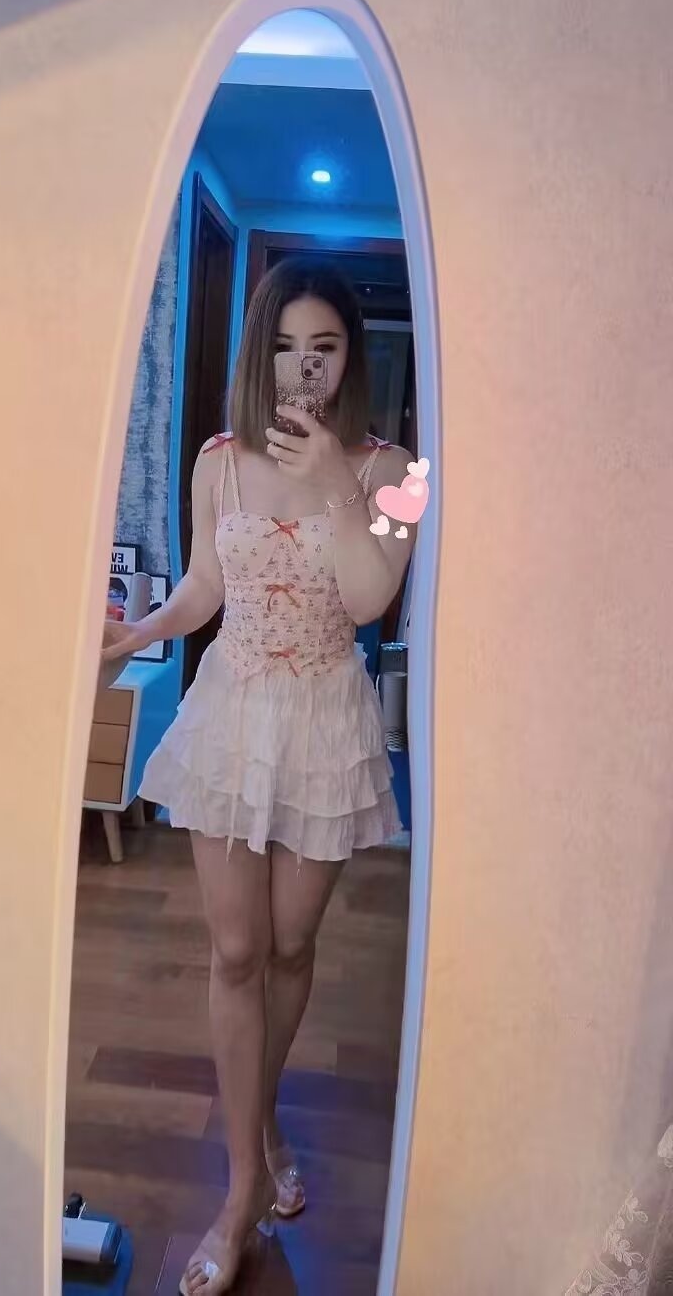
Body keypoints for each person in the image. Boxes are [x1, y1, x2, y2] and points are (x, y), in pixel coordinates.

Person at [102, 258, 417, 1294]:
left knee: (290, 944)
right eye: (283, 348)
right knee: (235, 949)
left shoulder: (398, 473)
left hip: (326, 723)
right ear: (259, 354)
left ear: (349, 358)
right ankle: (240, 1187)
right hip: (233, 713)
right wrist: (137, 634)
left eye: (322, 348)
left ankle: (265, 1118)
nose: (300, 370)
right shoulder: (216, 461)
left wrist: (335, 484)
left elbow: (369, 601)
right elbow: (206, 585)